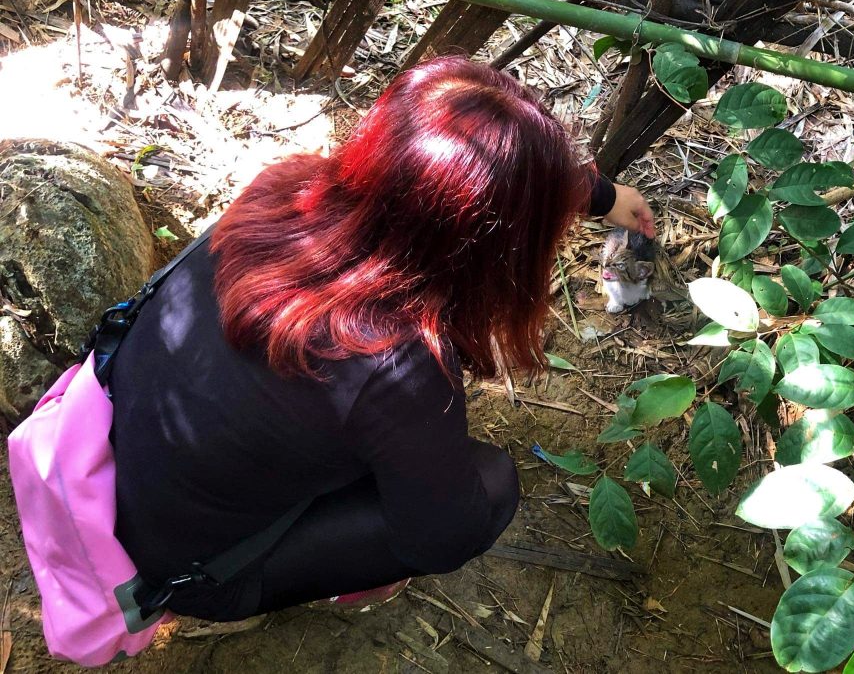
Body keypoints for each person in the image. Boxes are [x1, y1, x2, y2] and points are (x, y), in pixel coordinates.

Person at [109, 56, 654, 622]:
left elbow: (457, 179)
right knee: (492, 485)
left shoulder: (284, 189)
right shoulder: (398, 365)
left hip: (118, 456)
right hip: (188, 570)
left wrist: (597, 192)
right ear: (491, 246)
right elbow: (439, 539)